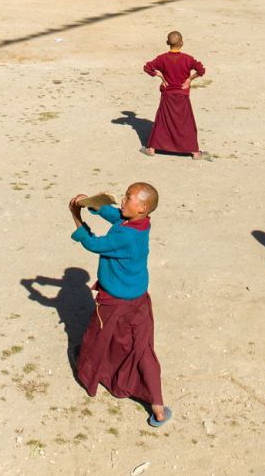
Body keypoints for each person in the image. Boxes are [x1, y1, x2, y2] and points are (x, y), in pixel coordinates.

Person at [68, 183, 170, 427]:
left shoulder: (125, 236)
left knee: (97, 338)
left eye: (129, 198)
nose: (123, 200)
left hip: (115, 301)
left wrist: (75, 215)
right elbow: (115, 214)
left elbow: (93, 244)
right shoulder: (140, 223)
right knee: (141, 346)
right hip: (138, 298)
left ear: (142, 207)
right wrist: (92, 204)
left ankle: (90, 374)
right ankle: (157, 405)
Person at [141, 31, 207, 160]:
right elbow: (201, 70)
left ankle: (152, 149)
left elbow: (147, 67)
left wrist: (160, 76)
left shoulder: (162, 59)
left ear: (167, 43)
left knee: (162, 122)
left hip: (168, 95)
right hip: (182, 95)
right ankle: (195, 152)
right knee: (186, 122)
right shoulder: (187, 59)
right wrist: (189, 79)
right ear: (182, 43)